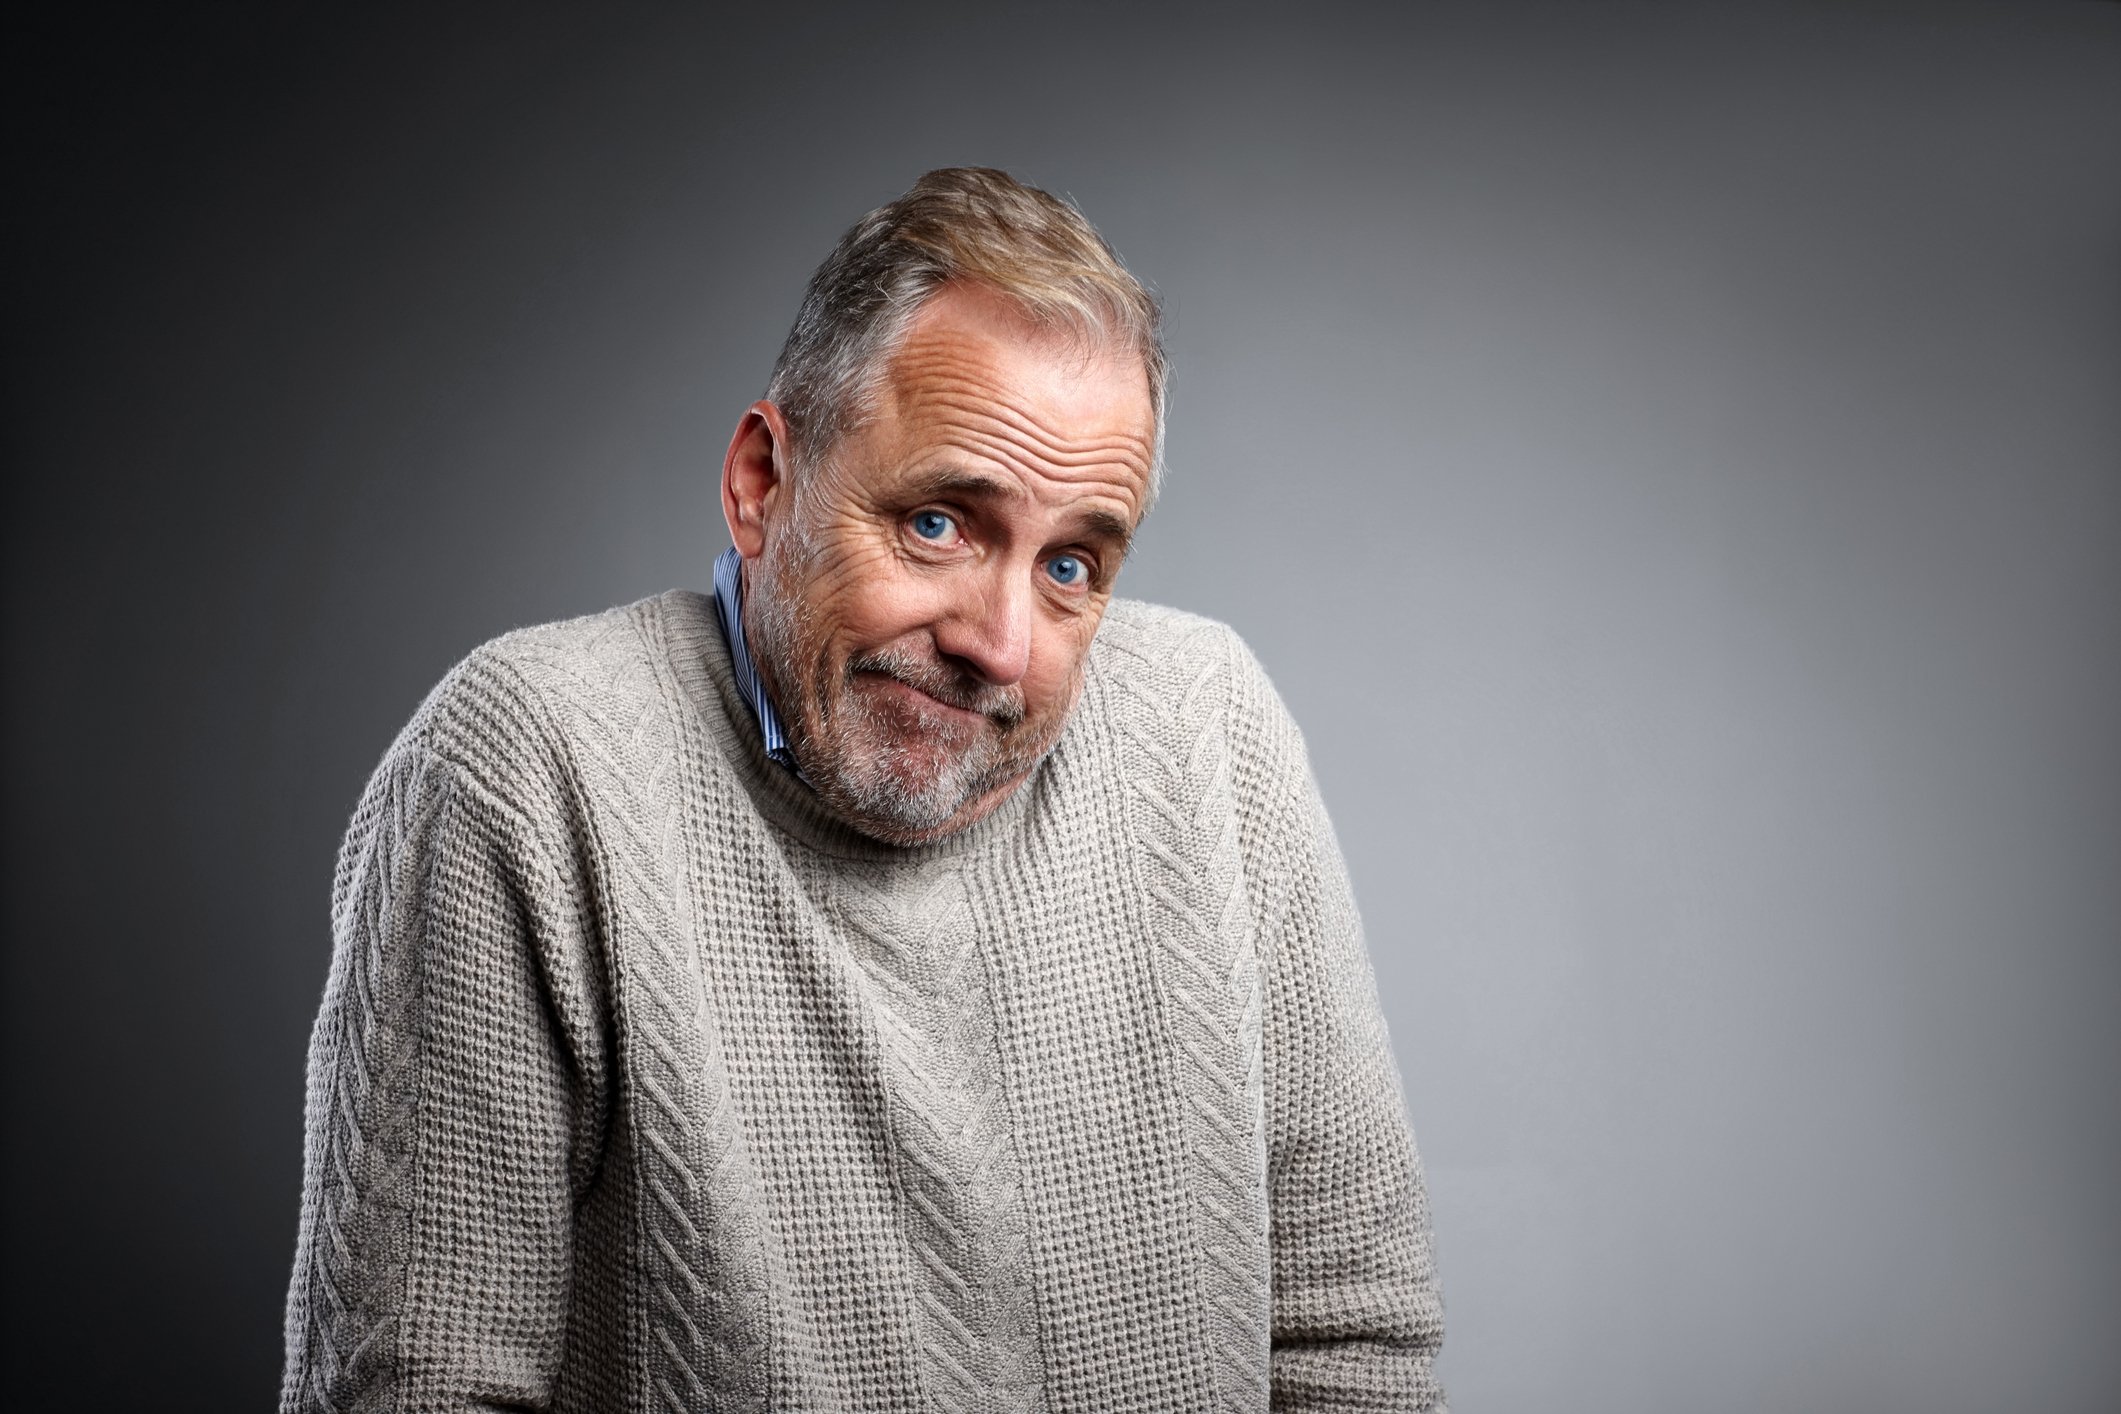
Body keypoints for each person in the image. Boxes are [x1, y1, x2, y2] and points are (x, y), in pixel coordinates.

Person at [280, 166, 1445, 1412]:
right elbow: (414, 1387)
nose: (999, 642)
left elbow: (1349, 1339)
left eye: (1069, 564)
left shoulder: (1212, 730)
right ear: (761, 483)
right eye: (939, 522)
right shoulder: (528, 768)